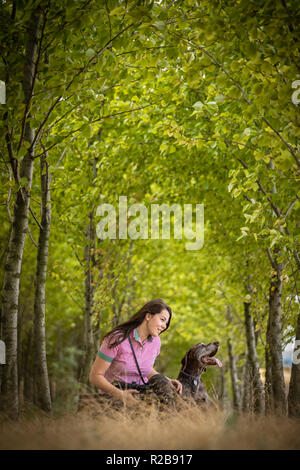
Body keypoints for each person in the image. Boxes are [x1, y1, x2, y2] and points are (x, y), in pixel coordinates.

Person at [89, 299, 182, 407]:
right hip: (114, 396)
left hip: (141, 394)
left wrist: (166, 382)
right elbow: (95, 376)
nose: (164, 326)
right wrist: (121, 394)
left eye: (166, 323)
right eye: (162, 320)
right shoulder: (116, 338)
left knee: (167, 393)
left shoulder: (156, 342)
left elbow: (145, 369)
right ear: (148, 316)